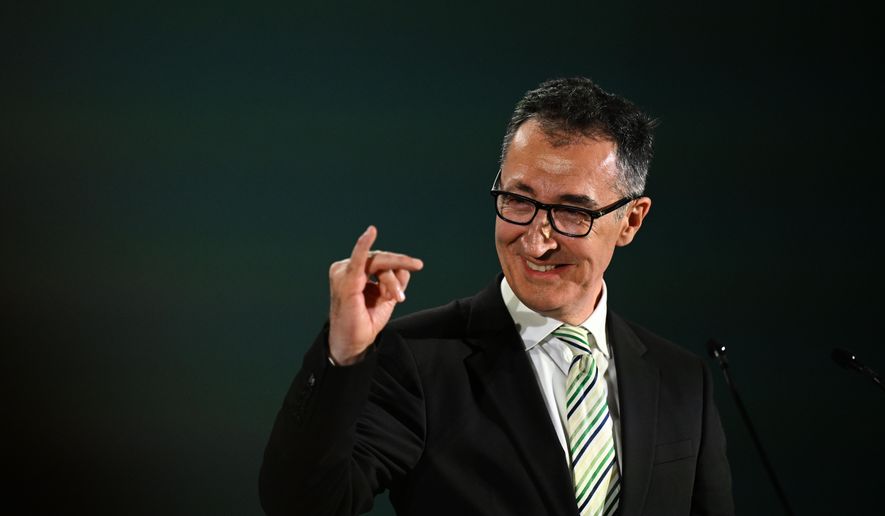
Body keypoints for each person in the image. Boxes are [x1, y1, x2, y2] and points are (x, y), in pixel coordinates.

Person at [259, 77, 734, 516]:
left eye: (571, 212)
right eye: (518, 201)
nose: (536, 240)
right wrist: (342, 355)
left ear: (630, 220)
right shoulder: (418, 361)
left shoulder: (683, 382)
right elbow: (304, 504)